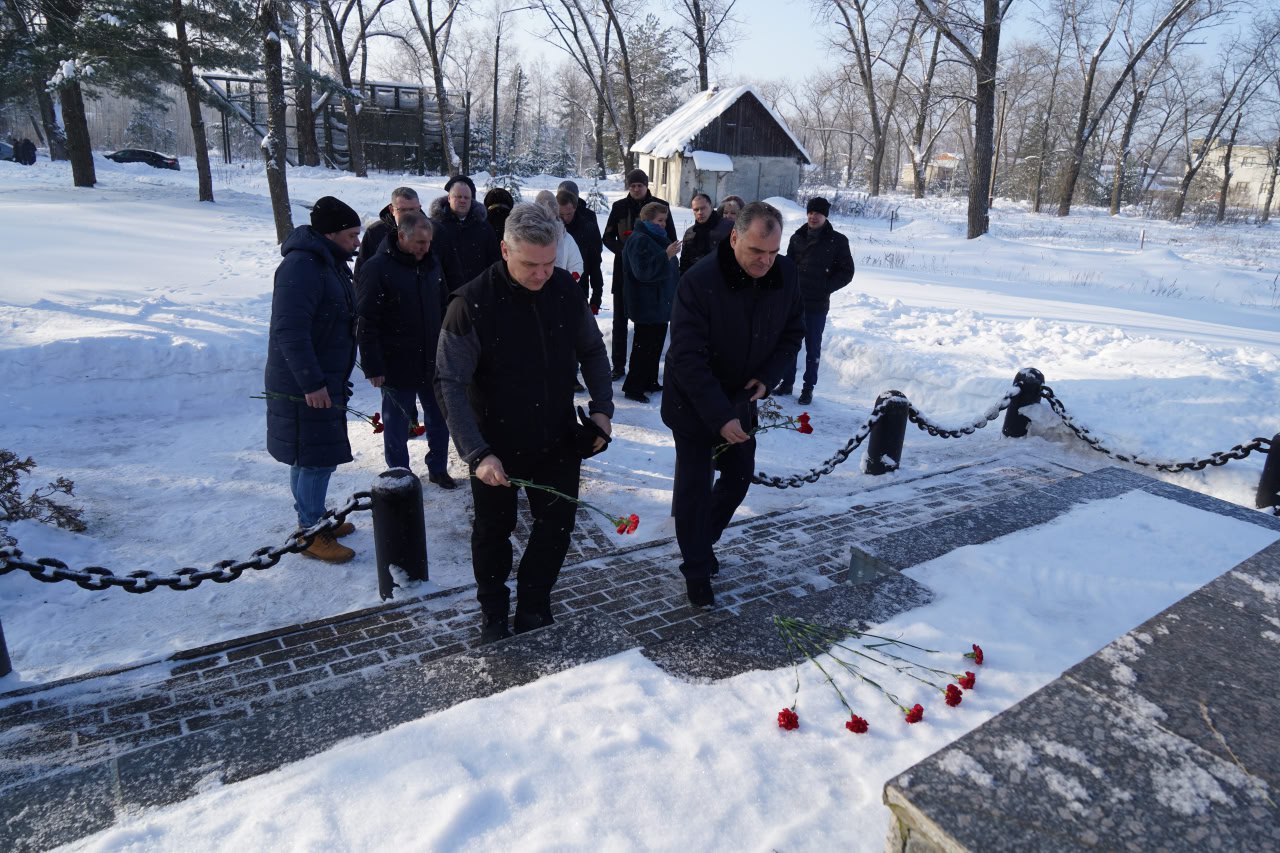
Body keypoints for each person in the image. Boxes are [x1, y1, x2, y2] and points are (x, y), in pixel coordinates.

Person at [436, 202, 615, 643]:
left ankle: (535, 603)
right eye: (530, 265)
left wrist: (602, 410)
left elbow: (592, 350)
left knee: (557, 524)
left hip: (557, 433)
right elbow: (449, 383)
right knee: (493, 531)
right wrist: (476, 453)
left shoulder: (564, 289)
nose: (541, 274)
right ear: (505, 250)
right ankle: (493, 611)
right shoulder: (470, 303)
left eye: (549, 263)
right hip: (494, 440)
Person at [661, 201, 803, 608]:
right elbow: (687, 357)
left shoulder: (785, 274)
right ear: (735, 237)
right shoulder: (700, 281)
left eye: (773, 252)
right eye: (756, 251)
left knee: (739, 476)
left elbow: (792, 333)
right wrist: (718, 415)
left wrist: (769, 375)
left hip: (741, 397)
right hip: (693, 401)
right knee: (693, 488)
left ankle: (701, 541)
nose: (765, 261)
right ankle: (696, 569)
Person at [264, 196, 363, 563]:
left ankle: (314, 518)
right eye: (352, 235)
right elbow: (290, 331)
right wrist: (312, 383)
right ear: (331, 234)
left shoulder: (327, 262)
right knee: (315, 458)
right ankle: (310, 532)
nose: (357, 242)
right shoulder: (301, 267)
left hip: (324, 377)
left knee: (311, 455)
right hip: (306, 384)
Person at [355, 210, 456, 489]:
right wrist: (373, 365)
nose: (425, 248)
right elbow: (366, 320)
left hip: (433, 359)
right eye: (420, 243)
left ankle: (438, 468)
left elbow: (444, 306)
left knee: (439, 418)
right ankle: (400, 475)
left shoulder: (432, 263)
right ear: (401, 236)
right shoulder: (377, 268)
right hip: (396, 362)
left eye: (429, 242)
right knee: (397, 424)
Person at [775, 197, 854, 405]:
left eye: (818, 213)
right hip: (794, 302)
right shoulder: (797, 237)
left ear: (825, 216)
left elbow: (847, 272)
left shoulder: (837, 241)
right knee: (790, 343)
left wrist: (825, 287)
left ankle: (808, 388)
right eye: (810, 212)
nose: (813, 216)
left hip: (817, 305)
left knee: (812, 347)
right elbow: (788, 267)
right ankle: (787, 383)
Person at [602, 168, 677, 381]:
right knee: (620, 319)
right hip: (624, 270)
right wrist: (626, 252)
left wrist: (659, 256)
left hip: (652, 274)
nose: (636, 189)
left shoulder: (661, 207)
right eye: (632, 185)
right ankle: (618, 365)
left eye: (640, 185)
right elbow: (607, 237)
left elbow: (670, 237)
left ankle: (645, 372)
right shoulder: (619, 207)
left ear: (646, 186)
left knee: (647, 324)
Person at [621, 202, 679, 403]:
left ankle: (649, 380)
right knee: (643, 348)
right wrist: (666, 256)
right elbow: (642, 271)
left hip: (660, 304)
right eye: (659, 220)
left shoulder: (658, 237)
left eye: (665, 220)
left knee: (655, 345)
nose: (663, 224)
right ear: (647, 220)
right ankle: (634, 387)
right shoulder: (639, 239)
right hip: (646, 304)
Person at [354, 186, 463, 290]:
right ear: (392, 210)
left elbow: (452, 274)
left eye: (413, 210)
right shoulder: (375, 233)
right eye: (402, 210)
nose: (408, 215)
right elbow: (361, 275)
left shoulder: (437, 231)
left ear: (419, 208)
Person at [429, 174, 501, 288]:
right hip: (445, 291)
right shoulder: (435, 227)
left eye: (466, 197)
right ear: (449, 198)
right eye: (458, 197)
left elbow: (494, 261)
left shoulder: (484, 227)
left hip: (477, 290)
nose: (463, 200)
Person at [557, 180, 604, 312]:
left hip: (579, 286)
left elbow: (595, 261)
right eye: (561, 215)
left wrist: (596, 298)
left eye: (568, 214)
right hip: (554, 289)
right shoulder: (550, 225)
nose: (565, 218)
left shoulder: (587, 223)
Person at [534, 189, 585, 280]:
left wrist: (565, 282)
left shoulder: (566, 238)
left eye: (550, 212)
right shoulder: (525, 236)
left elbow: (576, 266)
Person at [679, 192, 733, 274]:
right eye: (696, 210)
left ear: (711, 207)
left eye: (703, 208)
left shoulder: (728, 228)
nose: (700, 212)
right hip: (695, 278)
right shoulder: (690, 233)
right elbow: (684, 263)